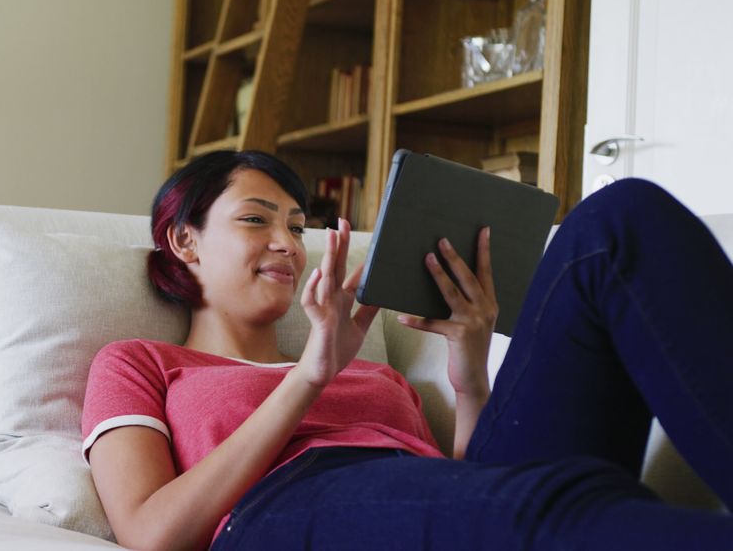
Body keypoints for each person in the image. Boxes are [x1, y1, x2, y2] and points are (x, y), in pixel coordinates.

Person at [80, 150, 733, 550]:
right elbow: (152, 533)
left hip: (438, 497)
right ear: (185, 241)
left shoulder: (370, 370)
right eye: (256, 219)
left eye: (297, 226)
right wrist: (309, 375)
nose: (286, 241)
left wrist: (471, 373)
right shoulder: (141, 362)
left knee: (615, 224)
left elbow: (459, 483)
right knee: (543, 512)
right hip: (282, 510)